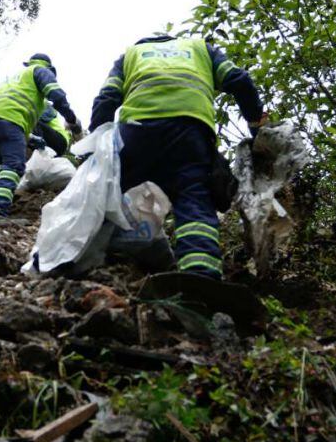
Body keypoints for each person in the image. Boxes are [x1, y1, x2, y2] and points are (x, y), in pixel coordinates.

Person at [90, 34, 267, 279]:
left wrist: (95, 148)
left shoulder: (130, 55)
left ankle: (104, 264)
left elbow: (107, 98)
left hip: (136, 132)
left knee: (118, 195)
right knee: (193, 199)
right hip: (189, 133)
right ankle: (200, 274)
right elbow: (240, 81)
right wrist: (257, 126)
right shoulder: (201, 49)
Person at [0, 54, 82, 222]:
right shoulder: (40, 71)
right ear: (51, 70)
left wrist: (30, 138)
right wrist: (71, 119)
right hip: (10, 119)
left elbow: (13, 106)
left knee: (7, 166)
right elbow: (57, 95)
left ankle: (2, 203)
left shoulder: (16, 78)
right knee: (14, 165)